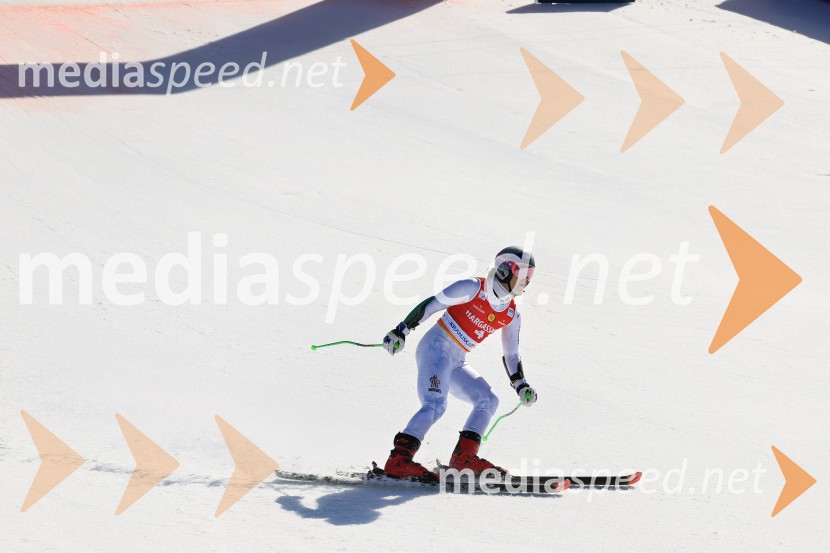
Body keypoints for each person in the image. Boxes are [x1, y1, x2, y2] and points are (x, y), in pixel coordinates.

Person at [380, 246, 538, 481]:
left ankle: (464, 459)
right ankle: (399, 460)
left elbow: (511, 355)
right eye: (523, 274)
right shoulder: (472, 287)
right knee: (435, 404)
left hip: (456, 360)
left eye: (530, 276)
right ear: (505, 270)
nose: (526, 282)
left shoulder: (511, 314)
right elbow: (433, 304)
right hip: (436, 348)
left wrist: (521, 385)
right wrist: (401, 330)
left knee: (488, 400)